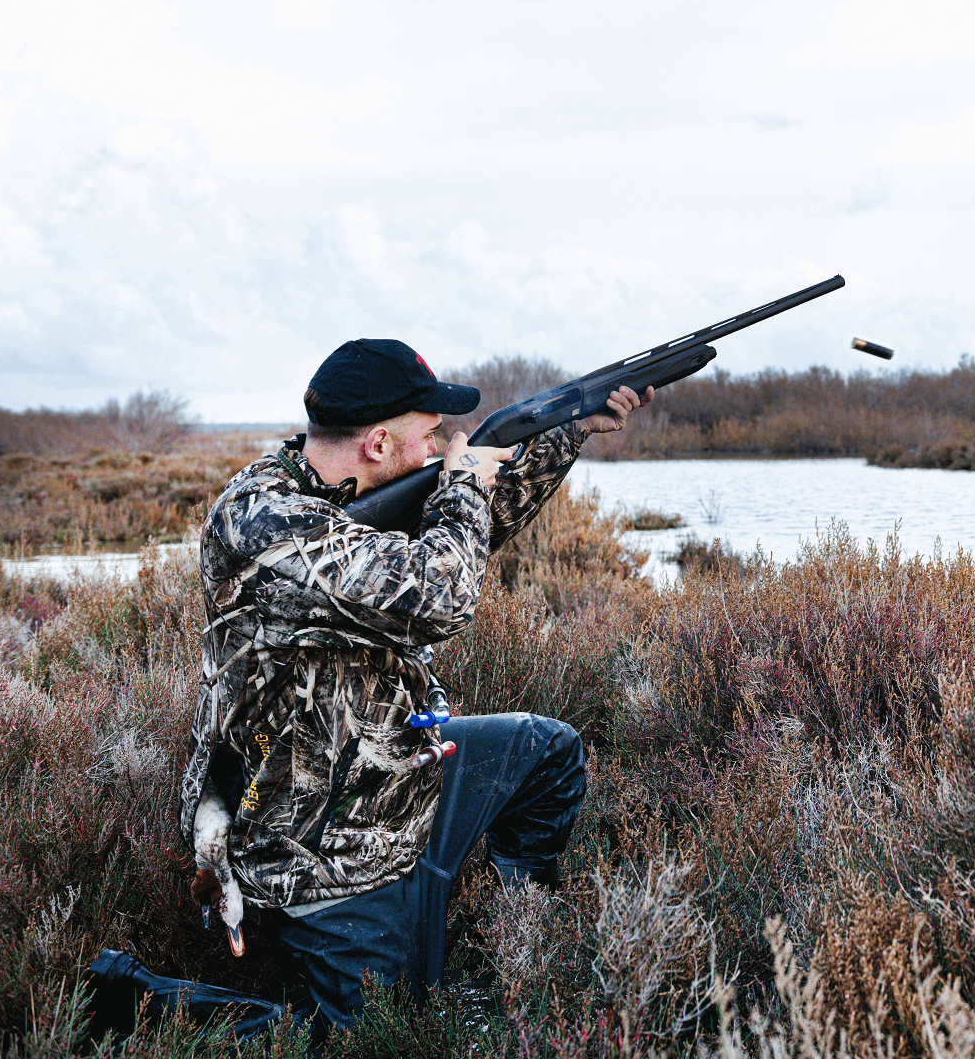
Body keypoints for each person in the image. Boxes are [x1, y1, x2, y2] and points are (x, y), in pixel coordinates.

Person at [176, 338, 650, 1038]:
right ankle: (149, 1008)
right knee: (383, 1038)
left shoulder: (344, 490)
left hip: (395, 772)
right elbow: (440, 592)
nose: (438, 450)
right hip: (317, 844)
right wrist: (460, 485)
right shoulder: (270, 524)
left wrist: (567, 433)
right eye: (428, 437)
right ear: (376, 443)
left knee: (546, 752)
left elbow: (465, 533)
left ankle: (514, 934)